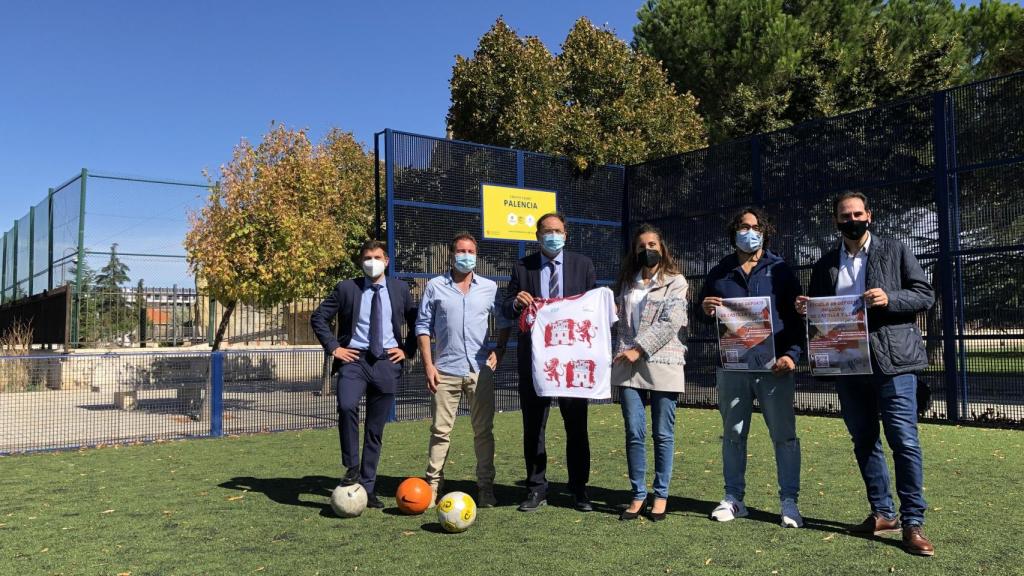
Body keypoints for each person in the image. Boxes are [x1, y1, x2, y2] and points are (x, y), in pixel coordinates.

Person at [796, 191, 935, 556]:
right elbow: (820, 313)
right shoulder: (826, 263)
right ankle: (883, 513)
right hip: (847, 364)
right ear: (836, 221)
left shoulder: (895, 250)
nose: (852, 220)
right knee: (864, 440)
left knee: (903, 441)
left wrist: (890, 298)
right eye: (845, 215)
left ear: (869, 215)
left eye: (858, 213)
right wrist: (805, 308)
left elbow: (924, 294)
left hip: (893, 363)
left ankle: (913, 522)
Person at [700, 207, 805, 528]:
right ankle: (734, 498)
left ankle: (789, 502)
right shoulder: (719, 272)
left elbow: (798, 317)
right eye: (744, 227)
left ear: (765, 231)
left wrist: (793, 355)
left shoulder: (782, 270)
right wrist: (704, 308)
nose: (750, 231)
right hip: (732, 368)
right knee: (733, 435)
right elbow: (703, 315)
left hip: (775, 368)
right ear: (734, 232)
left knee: (784, 436)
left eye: (756, 226)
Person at [310, 239, 417, 509]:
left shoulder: (400, 289)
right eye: (368, 257)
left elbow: (418, 321)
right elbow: (318, 317)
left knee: (375, 429)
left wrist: (407, 350)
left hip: (386, 362)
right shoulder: (347, 288)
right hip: (354, 360)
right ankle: (352, 468)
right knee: (346, 406)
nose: (373, 262)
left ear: (387, 260)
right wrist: (334, 348)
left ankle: (368, 487)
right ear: (361, 262)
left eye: (377, 257)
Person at [501, 212, 597, 512]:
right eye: (546, 231)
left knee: (577, 426)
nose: (551, 235)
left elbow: (593, 308)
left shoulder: (583, 265)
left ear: (566, 234)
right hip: (535, 362)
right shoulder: (522, 268)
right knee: (533, 426)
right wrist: (517, 302)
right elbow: (506, 307)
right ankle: (536, 488)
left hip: (572, 363)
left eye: (557, 230)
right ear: (537, 236)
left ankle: (579, 489)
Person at [416, 232, 510, 509]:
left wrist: (500, 350)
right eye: (460, 251)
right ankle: (433, 485)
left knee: (483, 432)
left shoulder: (490, 288)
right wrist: (428, 365)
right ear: (451, 255)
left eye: (470, 251)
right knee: (440, 431)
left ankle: (486, 488)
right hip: (444, 370)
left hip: (480, 371)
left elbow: (504, 321)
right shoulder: (435, 287)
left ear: (476, 256)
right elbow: (422, 327)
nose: (466, 256)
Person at [611, 224, 689, 522]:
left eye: (653, 244)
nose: (648, 250)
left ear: (662, 247)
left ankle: (661, 494)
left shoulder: (676, 281)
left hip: (664, 362)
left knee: (662, 433)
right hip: (627, 365)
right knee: (634, 430)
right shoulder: (627, 283)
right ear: (635, 251)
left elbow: (672, 322)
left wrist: (638, 349)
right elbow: (616, 321)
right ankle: (637, 494)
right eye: (642, 246)